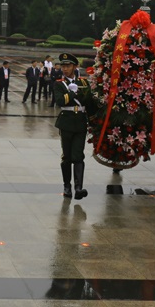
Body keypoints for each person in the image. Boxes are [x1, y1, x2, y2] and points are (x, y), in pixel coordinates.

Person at [53, 53, 93, 199]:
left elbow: (89, 102)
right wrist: (72, 92)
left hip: (80, 122)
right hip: (66, 122)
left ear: (75, 67)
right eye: (63, 66)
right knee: (67, 156)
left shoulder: (84, 83)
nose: (65, 69)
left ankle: (78, 188)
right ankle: (67, 186)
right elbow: (60, 101)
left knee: (78, 155)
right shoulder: (59, 83)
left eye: (68, 66)